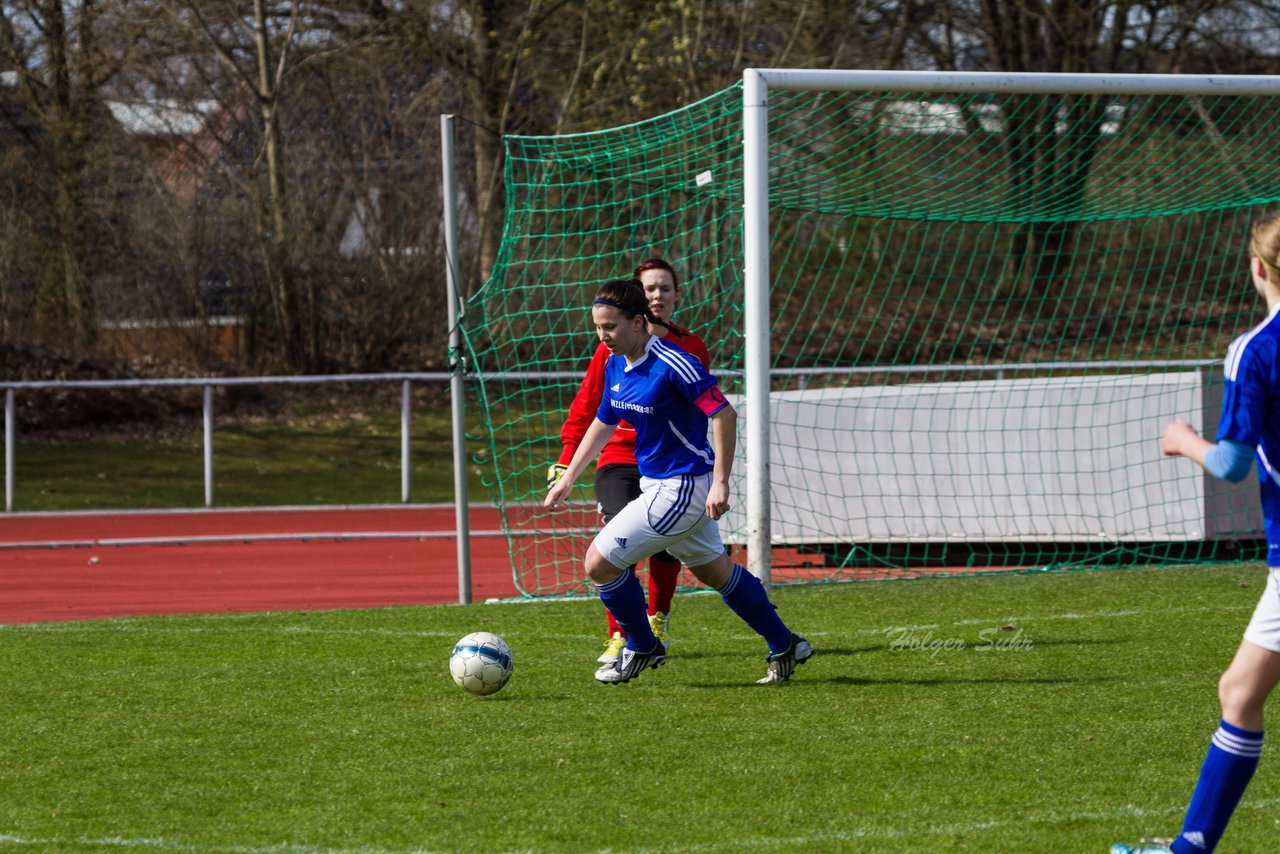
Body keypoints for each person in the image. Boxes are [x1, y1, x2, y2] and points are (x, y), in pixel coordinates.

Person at [544, 277, 813, 685]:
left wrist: (720, 482)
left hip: (684, 486)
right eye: (597, 327)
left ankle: (642, 645)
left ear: (638, 322)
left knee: (598, 562)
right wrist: (568, 476)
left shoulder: (674, 363)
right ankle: (786, 644)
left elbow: (723, 414)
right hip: (659, 484)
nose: (603, 336)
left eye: (610, 327)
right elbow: (604, 419)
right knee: (715, 572)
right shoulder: (614, 359)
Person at [1112, 212, 1280, 854]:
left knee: (1240, 694)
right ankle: (1191, 845)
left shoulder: (1256, 349)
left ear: (1257, 268)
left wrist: (1184, 442)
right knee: (1239, 690)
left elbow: (1234, 464)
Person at [549, 259, 711, 665]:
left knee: (670, 547)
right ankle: (621, 635)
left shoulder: (688, 349)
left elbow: (707, 411)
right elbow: (591, 407)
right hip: (621, 458)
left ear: (675, 295)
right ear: (637, 302)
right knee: (617, 538)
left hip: (671, 463)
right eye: (649, 288)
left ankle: (656, 620)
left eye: (664, 288)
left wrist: (712, 474)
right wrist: (567, 464)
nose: (657, 295)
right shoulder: (610, 348)